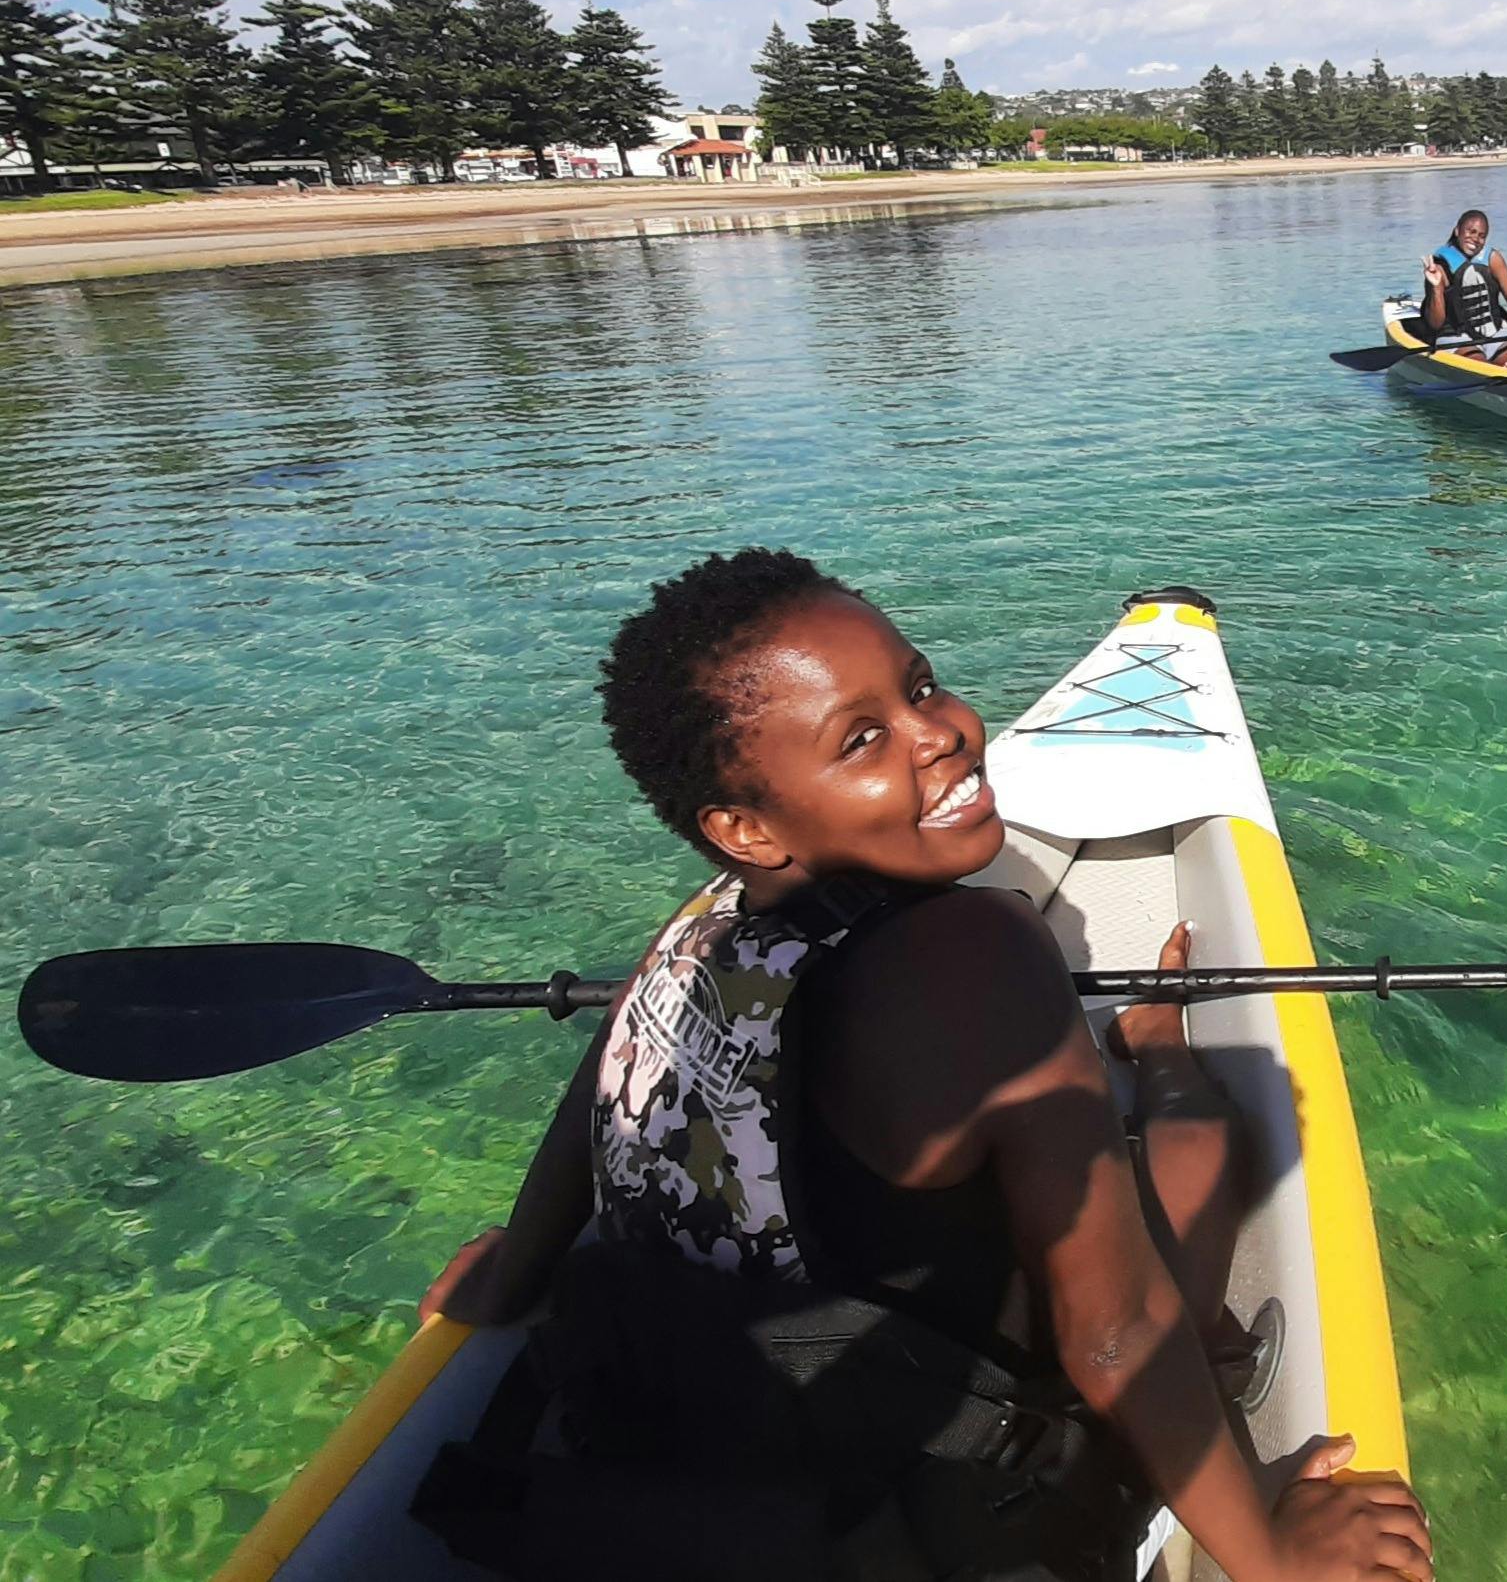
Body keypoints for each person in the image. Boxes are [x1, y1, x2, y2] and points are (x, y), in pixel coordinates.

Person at [417, 549, 1433, 1582]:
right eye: (863, 738)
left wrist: (515, 1266)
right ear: (746, 827)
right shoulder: (979, 951)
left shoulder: (693, 937)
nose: (941, 729)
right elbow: (1114, 1331)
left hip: (695, 1453)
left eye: (918, 685)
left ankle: (1147, 1050)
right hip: (921, 1515)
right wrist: (1272, 1556)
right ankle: (1159, 1050)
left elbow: (602, 1078)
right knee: (1200, 1143)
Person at [1420, 209, 1507, 367]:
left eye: (1482, 235)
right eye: (1471, 232)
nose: (1476, 239)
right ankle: (1495, 372)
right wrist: (1435, 287)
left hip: (1494, 334)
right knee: (1481, 365)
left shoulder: (1493, 259)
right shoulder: (1439, 266)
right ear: (1457, 231)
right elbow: (1435, 323)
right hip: (1456, 338)